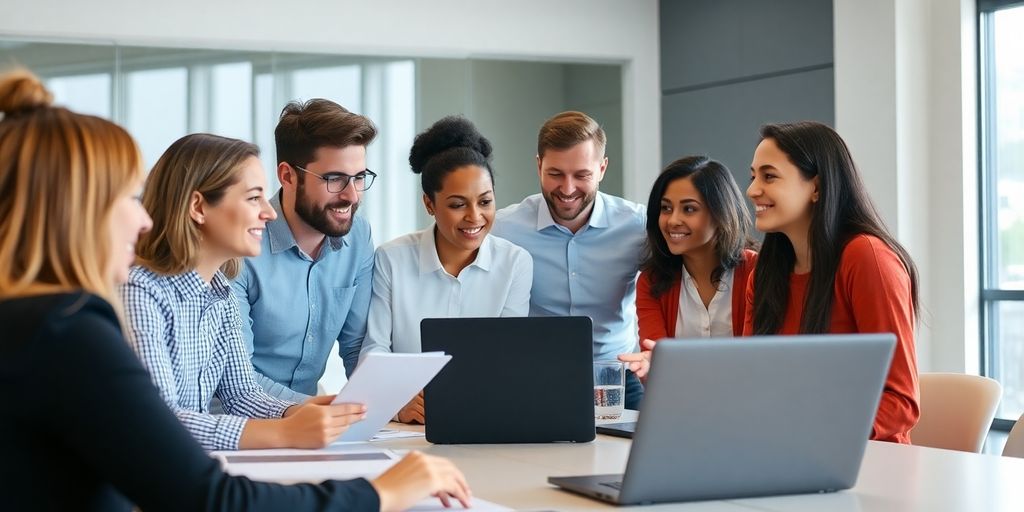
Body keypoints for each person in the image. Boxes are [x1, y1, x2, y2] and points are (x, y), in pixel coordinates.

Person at [0, 69, 470, 511]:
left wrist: (305, 409)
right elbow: (202, 489)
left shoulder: (205, 292)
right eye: (128, 198)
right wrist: (377, 493)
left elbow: (238, 391)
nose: (143, 219)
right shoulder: (74, 329)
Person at [120, 133, 361, 452]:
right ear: (198, 207)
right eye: (253, 198)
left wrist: (300, 412)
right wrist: (286, 433)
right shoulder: (141, 292)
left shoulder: (220, 293)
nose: (270, 212)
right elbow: (160, 422)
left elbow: (241, 394)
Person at [744, 121, 920, 444]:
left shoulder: (866, 258)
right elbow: (751, 381)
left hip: (869, 463)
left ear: (816, 187)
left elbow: (900, 402)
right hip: (786, 452)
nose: (752, 190)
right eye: (753, 176)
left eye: (769, 176)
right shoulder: (766, 272)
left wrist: (809, 433)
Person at [360, 116, 532, 424]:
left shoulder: (515, 263)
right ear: (429, 204)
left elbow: (509, 356)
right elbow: (374, 351)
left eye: (485, 201)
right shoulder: (392, 259)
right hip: (410, 426)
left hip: (485, 418)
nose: (475, 216)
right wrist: (396, 403)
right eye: (457, 205)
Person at [490, 111, 647, 410]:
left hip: (618, 381)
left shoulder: (638, 225)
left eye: (582, 175)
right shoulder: (504, 229)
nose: (568, 188)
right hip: (538, 381)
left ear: (602, 169)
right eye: (555, 174)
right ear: (538, 166)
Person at [232, 99, 376, 402]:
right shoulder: (240, 244)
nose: (351, 196)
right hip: (242, 425)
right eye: (334, 179)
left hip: (310, 422)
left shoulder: (359, 236)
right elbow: (237, 376)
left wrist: (390, 401)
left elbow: (356, 348)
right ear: (287, 176)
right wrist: (319, 408)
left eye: (360, 177)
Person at [619, 156, 757, 379]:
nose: (673, 220)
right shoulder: (652, 282)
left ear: (720, 213)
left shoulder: (756, 270)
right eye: (666, 208)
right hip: (681, 406)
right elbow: (656, 366)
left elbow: (760, 360)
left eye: (689, 209)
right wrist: (651, 368)